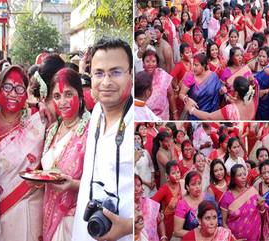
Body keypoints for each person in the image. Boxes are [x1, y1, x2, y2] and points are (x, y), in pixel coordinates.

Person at [72, 37, 133, 241]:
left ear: (130, 75)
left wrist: (128, 227)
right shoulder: (97, 110)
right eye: (99, 73)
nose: (106, 82)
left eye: (116, 72)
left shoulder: (141, 119)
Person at [0, 66, 46, 241]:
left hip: (29, 205)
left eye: (19, 88)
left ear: (26, 92)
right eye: (7, 87)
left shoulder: (37, 118)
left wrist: (42, 104)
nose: (13, 93)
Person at [39, 68, 90, 241]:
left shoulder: (91, 130)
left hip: (74, 219)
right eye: (57, 96)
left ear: (80, 95)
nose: (62, 102)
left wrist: (73, 185)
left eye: (68, 94)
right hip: (48, 213)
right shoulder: (53, 129)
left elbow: (101, 181)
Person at [220, 164, 269, 241]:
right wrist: (232, 239)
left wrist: (262, 206)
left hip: (256, 237)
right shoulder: (226, 197)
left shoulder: (252, 191)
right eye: (239, 175)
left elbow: (263, 213)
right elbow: (224, 223)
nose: (243, 177)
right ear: (233, 178)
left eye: (244, 174)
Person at [185, 76, 258, 120]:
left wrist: (191, 109)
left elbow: (209, 117)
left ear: (236, 93)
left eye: (233, 87)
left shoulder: (231, 110)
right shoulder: (251, 98)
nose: (231, 88)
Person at [179, 53, 225, 120]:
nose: (193, 67)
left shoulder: (213, 76)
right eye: (193, 65)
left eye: (196, 65)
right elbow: (181, 94)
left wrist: (221, 92)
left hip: (211, 114)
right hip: (195, 115)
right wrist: (187, 99)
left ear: (203, 66)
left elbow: (218, 93)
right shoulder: (190, 77)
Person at [142, 50, 177, 120]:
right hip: (146, 117)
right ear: (143, 64)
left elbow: (171, 95)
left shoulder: (163, 75)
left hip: (163, 116)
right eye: (147, 61)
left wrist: (174, 113)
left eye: (153, 61)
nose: (150, 64)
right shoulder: (140, 79)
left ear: (157, 63)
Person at [152, 160, 182, 240]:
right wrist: (158, 214)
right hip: (168, 225)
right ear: (167, 176)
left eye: (178, 172)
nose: (177, 175)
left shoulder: (183, 185)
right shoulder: (164, 189)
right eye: (173, 173)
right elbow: (151, 204)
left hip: (182, 224)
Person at [251, 46, 269, 120]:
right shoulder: (255, 65)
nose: (261, 58)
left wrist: (265, 91)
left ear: (268, 58)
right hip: (255, 99)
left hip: (266, 101)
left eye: (263, 56)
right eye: (260, 56)